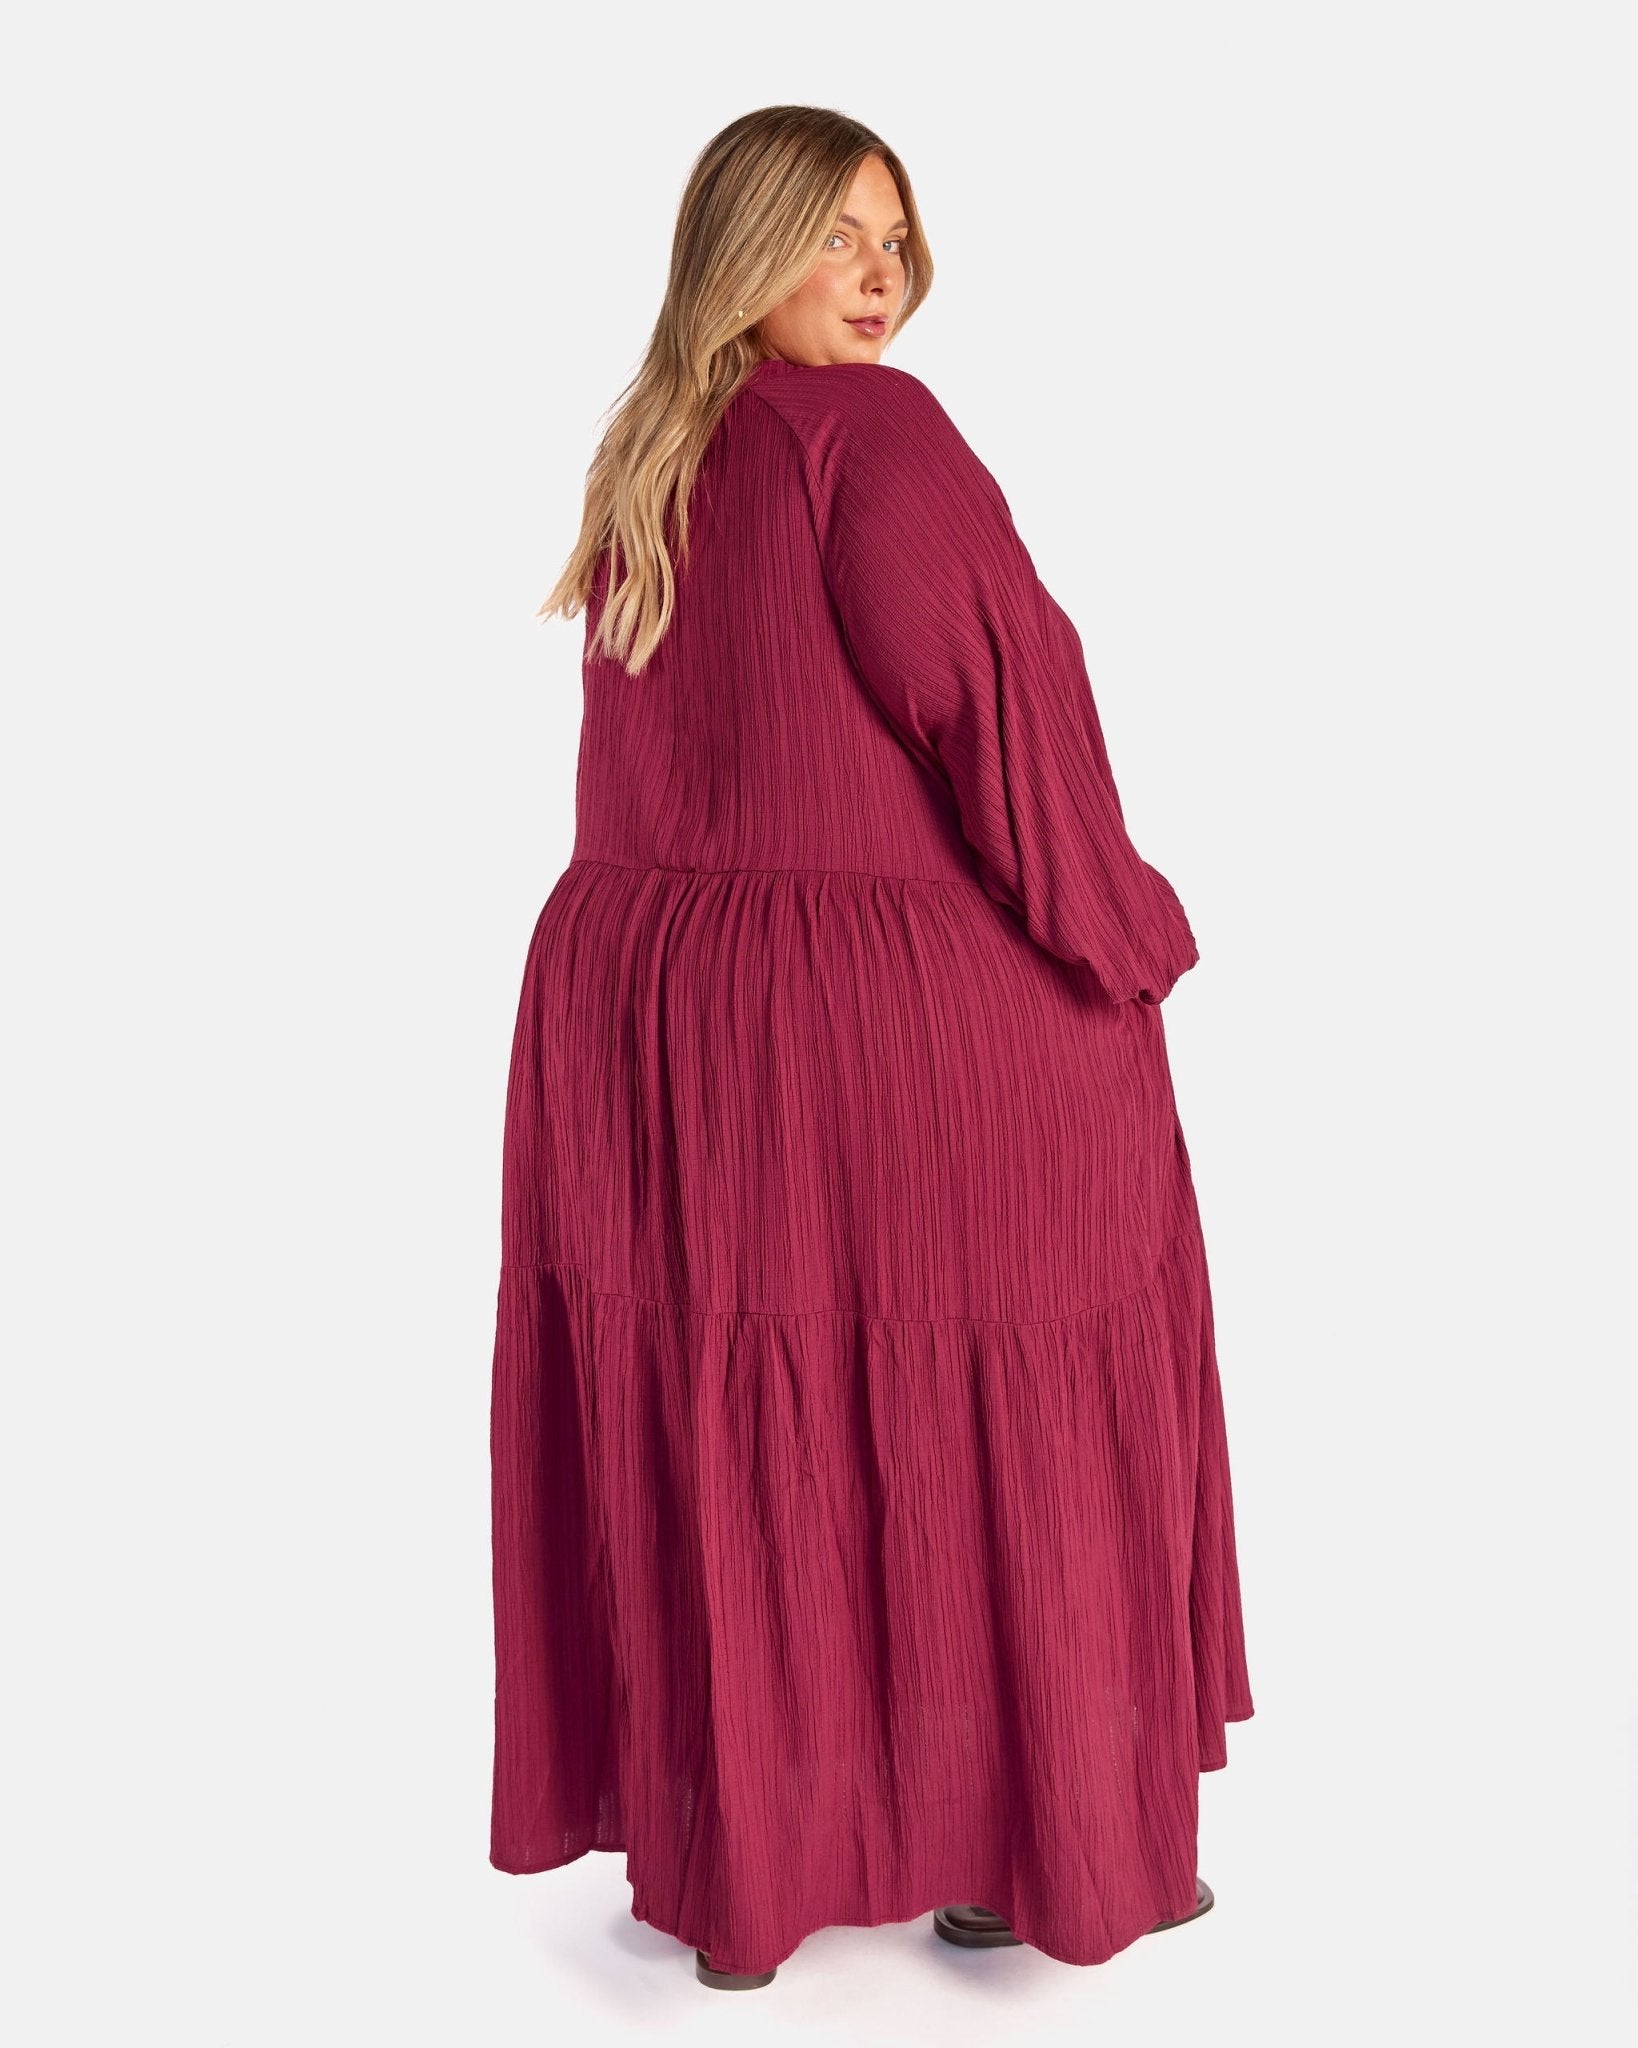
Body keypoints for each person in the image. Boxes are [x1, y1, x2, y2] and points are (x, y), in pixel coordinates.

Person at [488, 104, 1254, 1992]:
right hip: (883, 1030)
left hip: (654, 1030)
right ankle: (1032, 1846)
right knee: (1007, 1401)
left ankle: (746, 1865)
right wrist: (1125, 936)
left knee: (741, 1416)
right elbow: (997, 703)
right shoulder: (871, 435)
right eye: (835, 234)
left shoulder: (649, 454)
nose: (879, 275)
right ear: (740, 247)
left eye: (895, 240)